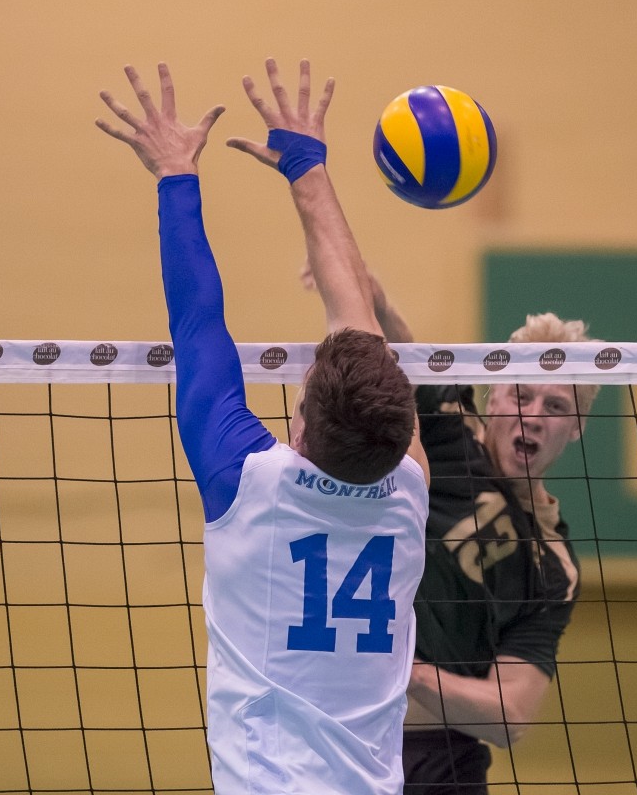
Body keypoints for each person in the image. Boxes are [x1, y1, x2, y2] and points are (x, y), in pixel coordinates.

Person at [96, 59, 430, 795]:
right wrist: (288, 170)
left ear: (303, 428)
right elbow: (223, 325)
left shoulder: (253, 483)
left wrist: (190, 170)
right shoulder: (405, 486)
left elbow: (202, 315)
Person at [367, 280, 599, 793]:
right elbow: (398, 341)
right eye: (521, 394)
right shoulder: (450, 435)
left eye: (557, 407)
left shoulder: (554, 569)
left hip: (441, 760)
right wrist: (369, 290)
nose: (534, 416)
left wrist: (410, 672)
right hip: (347, 736)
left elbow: (510, 714)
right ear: (494, 395)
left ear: (578, 425)